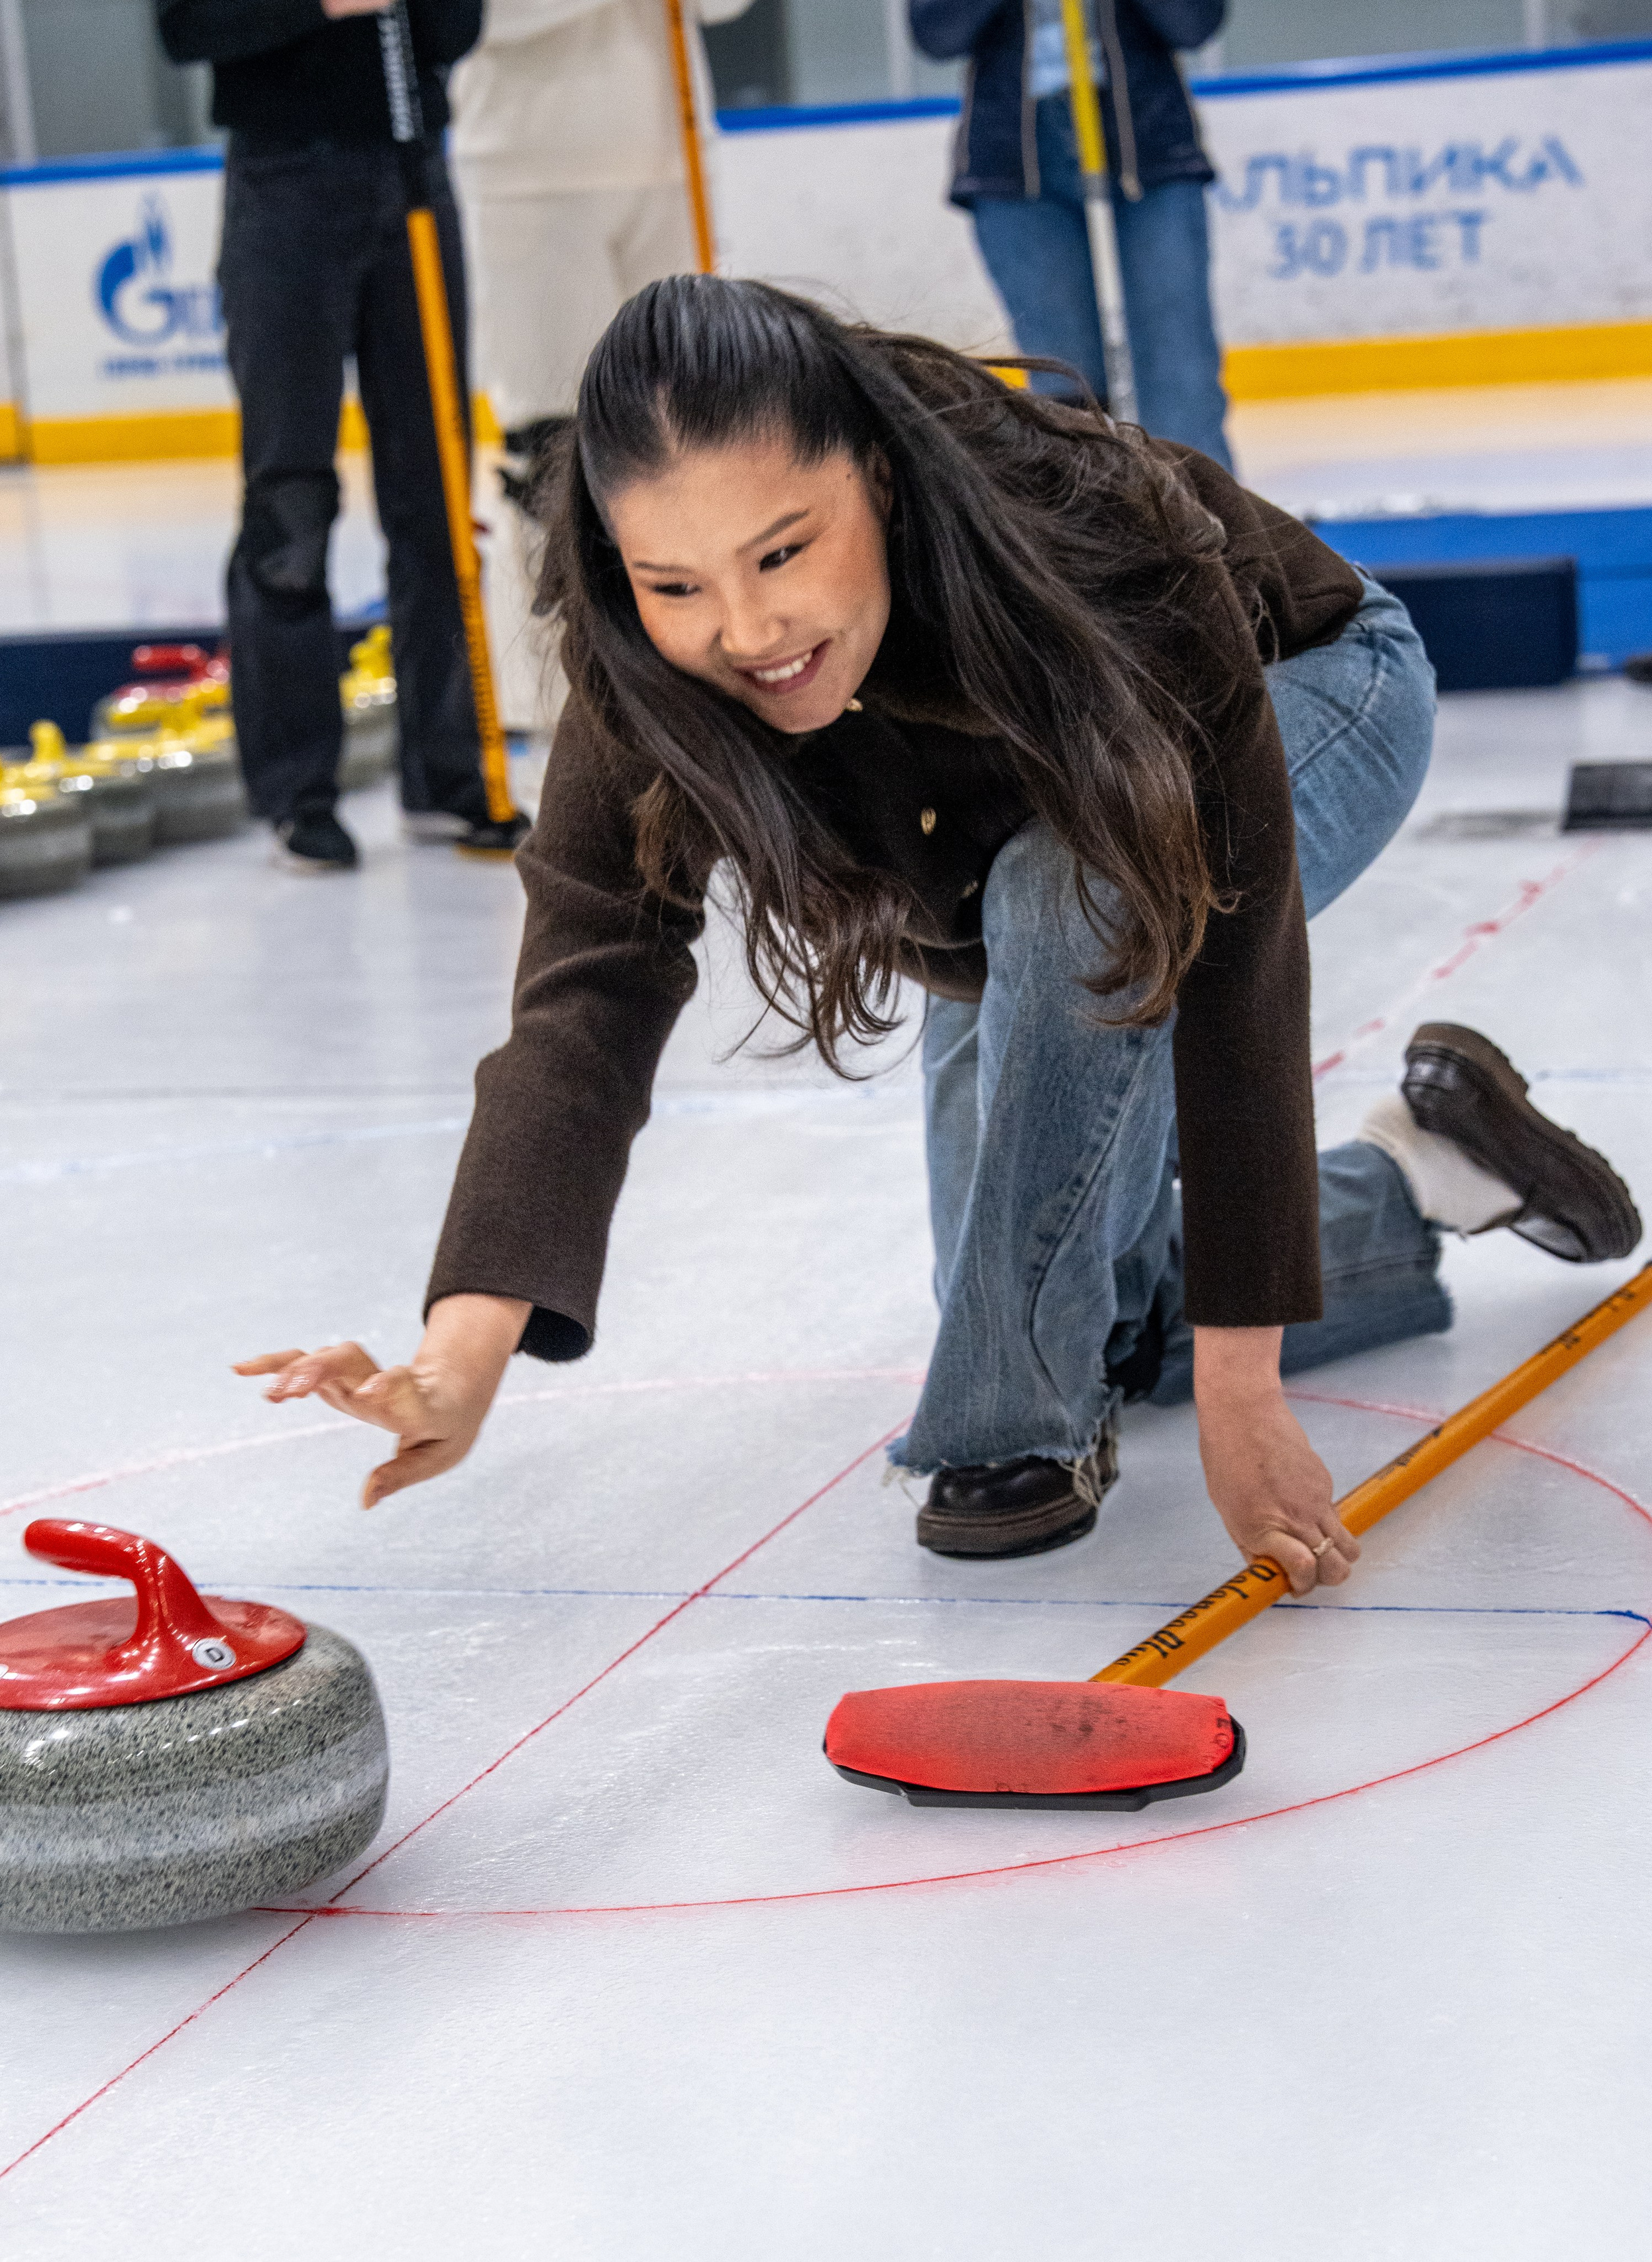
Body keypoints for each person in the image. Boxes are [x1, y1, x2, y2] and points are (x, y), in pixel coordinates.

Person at [237, 278, 1641, 1595]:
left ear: (879, 478)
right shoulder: (644, 669)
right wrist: (458, 1349)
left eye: (782, 550)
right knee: (1048, 1280)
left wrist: (1241, 1384)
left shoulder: (1085, 522)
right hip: (1005, 845)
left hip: (1307, 688)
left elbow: (1232, 947)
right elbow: (585, 992)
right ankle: (1432, 1169)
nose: (745, 628)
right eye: (675, 584)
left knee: (1064, 941)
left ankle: (1006, 1428)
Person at [156, 0, 531, 871]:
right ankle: (297, 789)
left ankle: (450, 774)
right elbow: (186, 26)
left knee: (436, 491)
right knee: (291, 498)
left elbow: (456, 30)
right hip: (284, 186)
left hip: (412, 179)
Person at [448, 0, 753, 735]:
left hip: (666, 154)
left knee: (693, 416)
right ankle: (565, 701)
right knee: (553, 444)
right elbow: (470, 19)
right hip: (529, 168)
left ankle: (704, 665)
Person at [910, 0, 1233, 469]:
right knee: (1067, 389)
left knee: (1179, 376)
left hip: (1149, 147)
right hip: (1016, 165)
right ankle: (1095, 535)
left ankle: (1210, 532)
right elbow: (937, 35)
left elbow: (1195, 22)